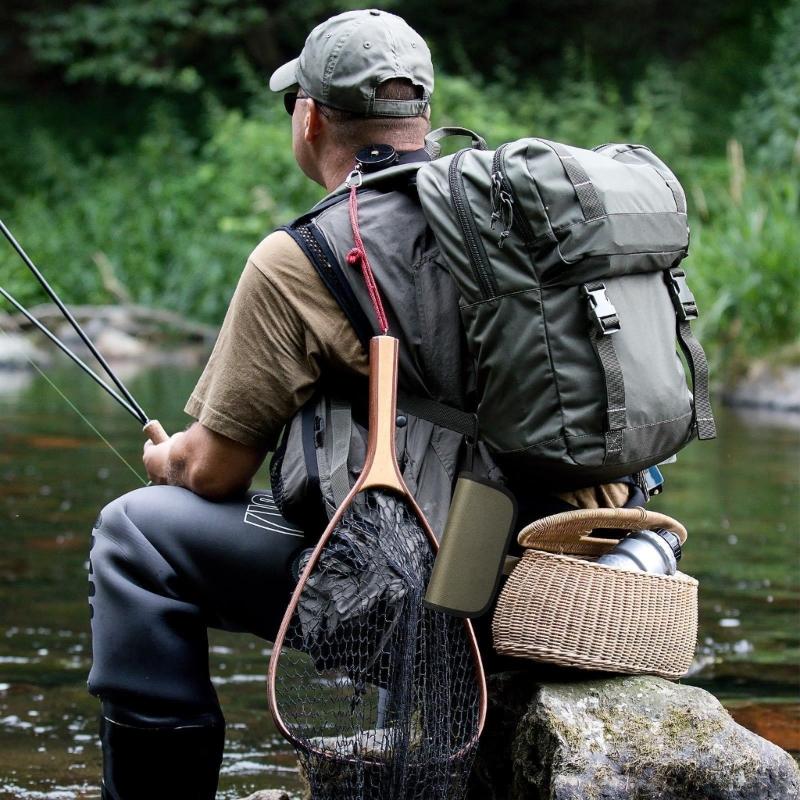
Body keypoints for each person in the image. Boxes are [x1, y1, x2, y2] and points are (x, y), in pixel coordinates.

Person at [87, 9, 641, 799]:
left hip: (461, 599)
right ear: (422, 118)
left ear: (309, 119)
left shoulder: (302, 256)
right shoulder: (517, 221)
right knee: (410, 502)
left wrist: (164, 458)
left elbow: (211, 473)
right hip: (591, 573)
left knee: (135, 536)